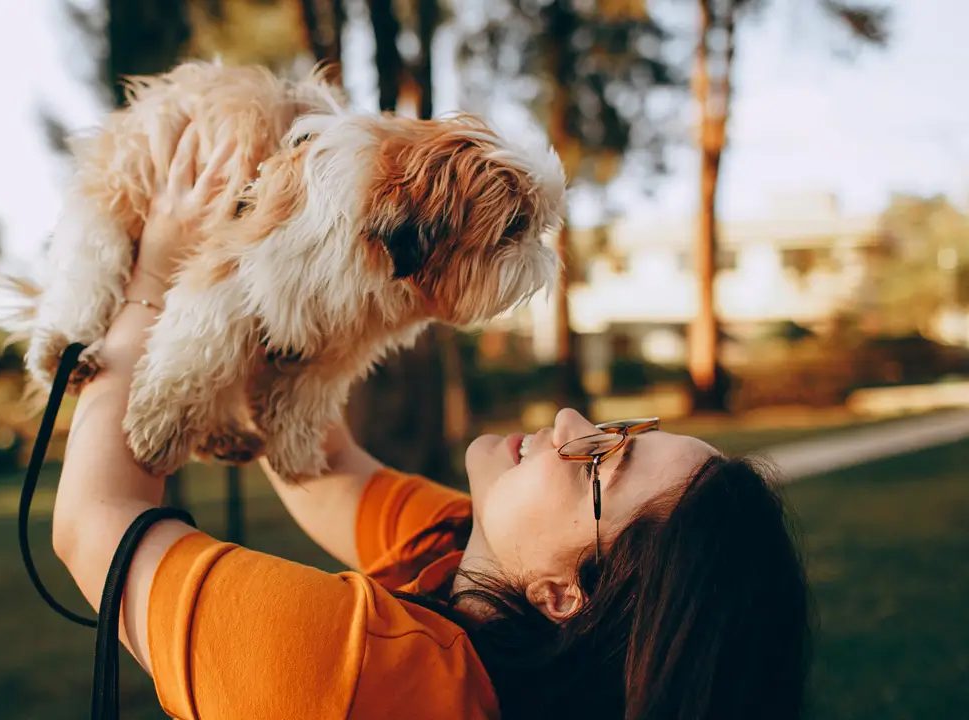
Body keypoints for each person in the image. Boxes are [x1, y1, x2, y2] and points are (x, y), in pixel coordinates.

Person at [51, 121, 812, 720]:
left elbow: (94, 523)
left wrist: (154, 279)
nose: (572, 421)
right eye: (620, 428)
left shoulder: (352, 674)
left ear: (560, 595)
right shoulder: (468, 548)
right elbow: (320, 470)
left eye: (599, 463)